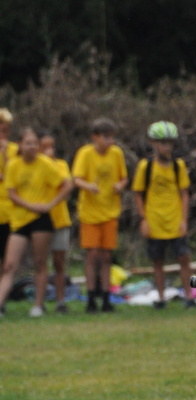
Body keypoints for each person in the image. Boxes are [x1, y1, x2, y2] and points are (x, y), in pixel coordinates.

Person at [0, 128, 71, 318]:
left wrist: (51, 204)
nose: (31, 147)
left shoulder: (45, 164)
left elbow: (66, 184)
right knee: (9, 265)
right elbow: (12, 193)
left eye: (34, 143)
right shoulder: (13, 165)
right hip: (20, 220)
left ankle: (38, 305)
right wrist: (30, 205)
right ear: (20, 145)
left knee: (40, 263)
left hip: (41, 219)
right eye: (27, 143)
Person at [132, 121, 196, 309]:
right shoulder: (145, 167)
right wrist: (143, 219)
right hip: (154, 221)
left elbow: (184, 193)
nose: (167, 147)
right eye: (163, 143)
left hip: (175, 220)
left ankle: (189, 296)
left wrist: (184, 220)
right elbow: (138, 193)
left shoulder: (178, 166)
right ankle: (161, 298)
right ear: (153, 143)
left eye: (170, 143)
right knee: (157, 261)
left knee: (184, 258)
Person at [72, 117, 129, 313]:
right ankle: (90, 297)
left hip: (110, 211)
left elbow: (124, 178)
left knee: (106, 256)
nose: (109, 141)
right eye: (105, 137)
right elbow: (76, 178)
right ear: (95, 137)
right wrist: (89, 186)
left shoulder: (116, 153)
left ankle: (106, 297)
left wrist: (119, 186)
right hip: (90, 213)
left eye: (111, 137)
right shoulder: (85, 153)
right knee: (92, 255)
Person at [39, 134, 74, 312]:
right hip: (40, 221)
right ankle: (40, 302)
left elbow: (64, 185)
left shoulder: (61, 165)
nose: (49, 150)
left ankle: (61, 301)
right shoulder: (34, 167)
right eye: (45, 147)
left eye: (52, 146)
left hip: (60, 220)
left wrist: (50, 163)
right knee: (41, 263)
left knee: (59, 262)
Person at [0, 108, 19, 265]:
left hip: (10, 211)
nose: (1, 135)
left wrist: (5, 154)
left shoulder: (15, 150)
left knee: (7, 258)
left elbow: (15, 176)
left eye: (4, 131)